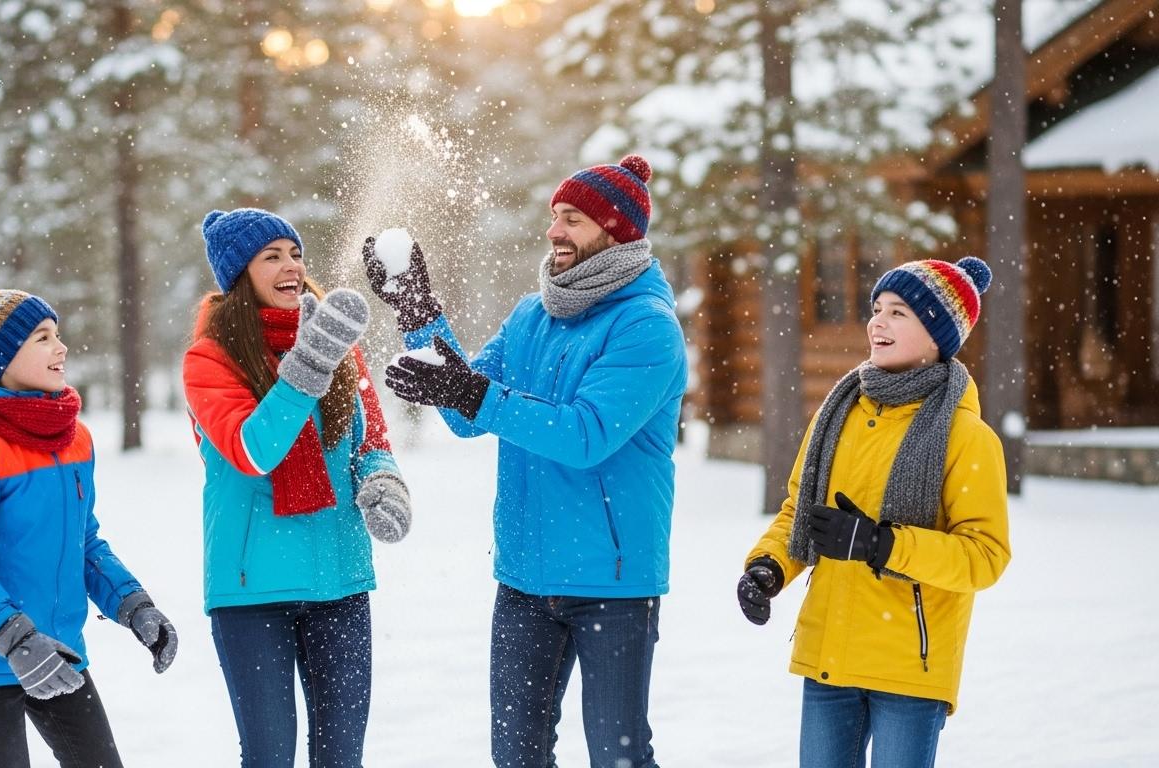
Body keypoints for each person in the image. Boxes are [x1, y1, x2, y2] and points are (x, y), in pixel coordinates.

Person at [364, 155, 686, 768]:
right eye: (554, 217)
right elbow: (466, 408)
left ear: (615, 231)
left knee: (618, 754)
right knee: (516, 755)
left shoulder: (647, 327)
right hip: (523, 576)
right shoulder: (532, 314)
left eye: (572, 219)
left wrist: (475, 396)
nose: (554, 231)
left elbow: (585, 435)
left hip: (610, 583)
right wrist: (417, 313)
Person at [736, 257, 1011, 768]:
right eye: (876, 308)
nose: (877, 321)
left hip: (909, 667)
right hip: (829, 660)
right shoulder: (837, 414)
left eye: (899, 312)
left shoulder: (967, 438)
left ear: (936, 335)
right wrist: (769, 567)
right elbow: (801, 510)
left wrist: (880, 544)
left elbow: (984, 557)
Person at [183, 208, 412, 767]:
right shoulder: (209, 359)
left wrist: (384, 481)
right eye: (271, 256)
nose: (291, 266)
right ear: (240, 275)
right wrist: (309, 364)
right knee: (269, 758)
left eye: (295, 253)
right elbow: (252, 449)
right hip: (253, 591)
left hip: (340, 580)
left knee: (341, 758)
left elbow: (369, 438)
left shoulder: (335, 341)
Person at [0, 289, 178, 768]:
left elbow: (85, 543)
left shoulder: (73, 438)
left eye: (57, 335)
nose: (60, 348)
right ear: (0, 359)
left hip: (59, 650)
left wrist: (134, 604)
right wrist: (16, 638)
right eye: (42, 338)